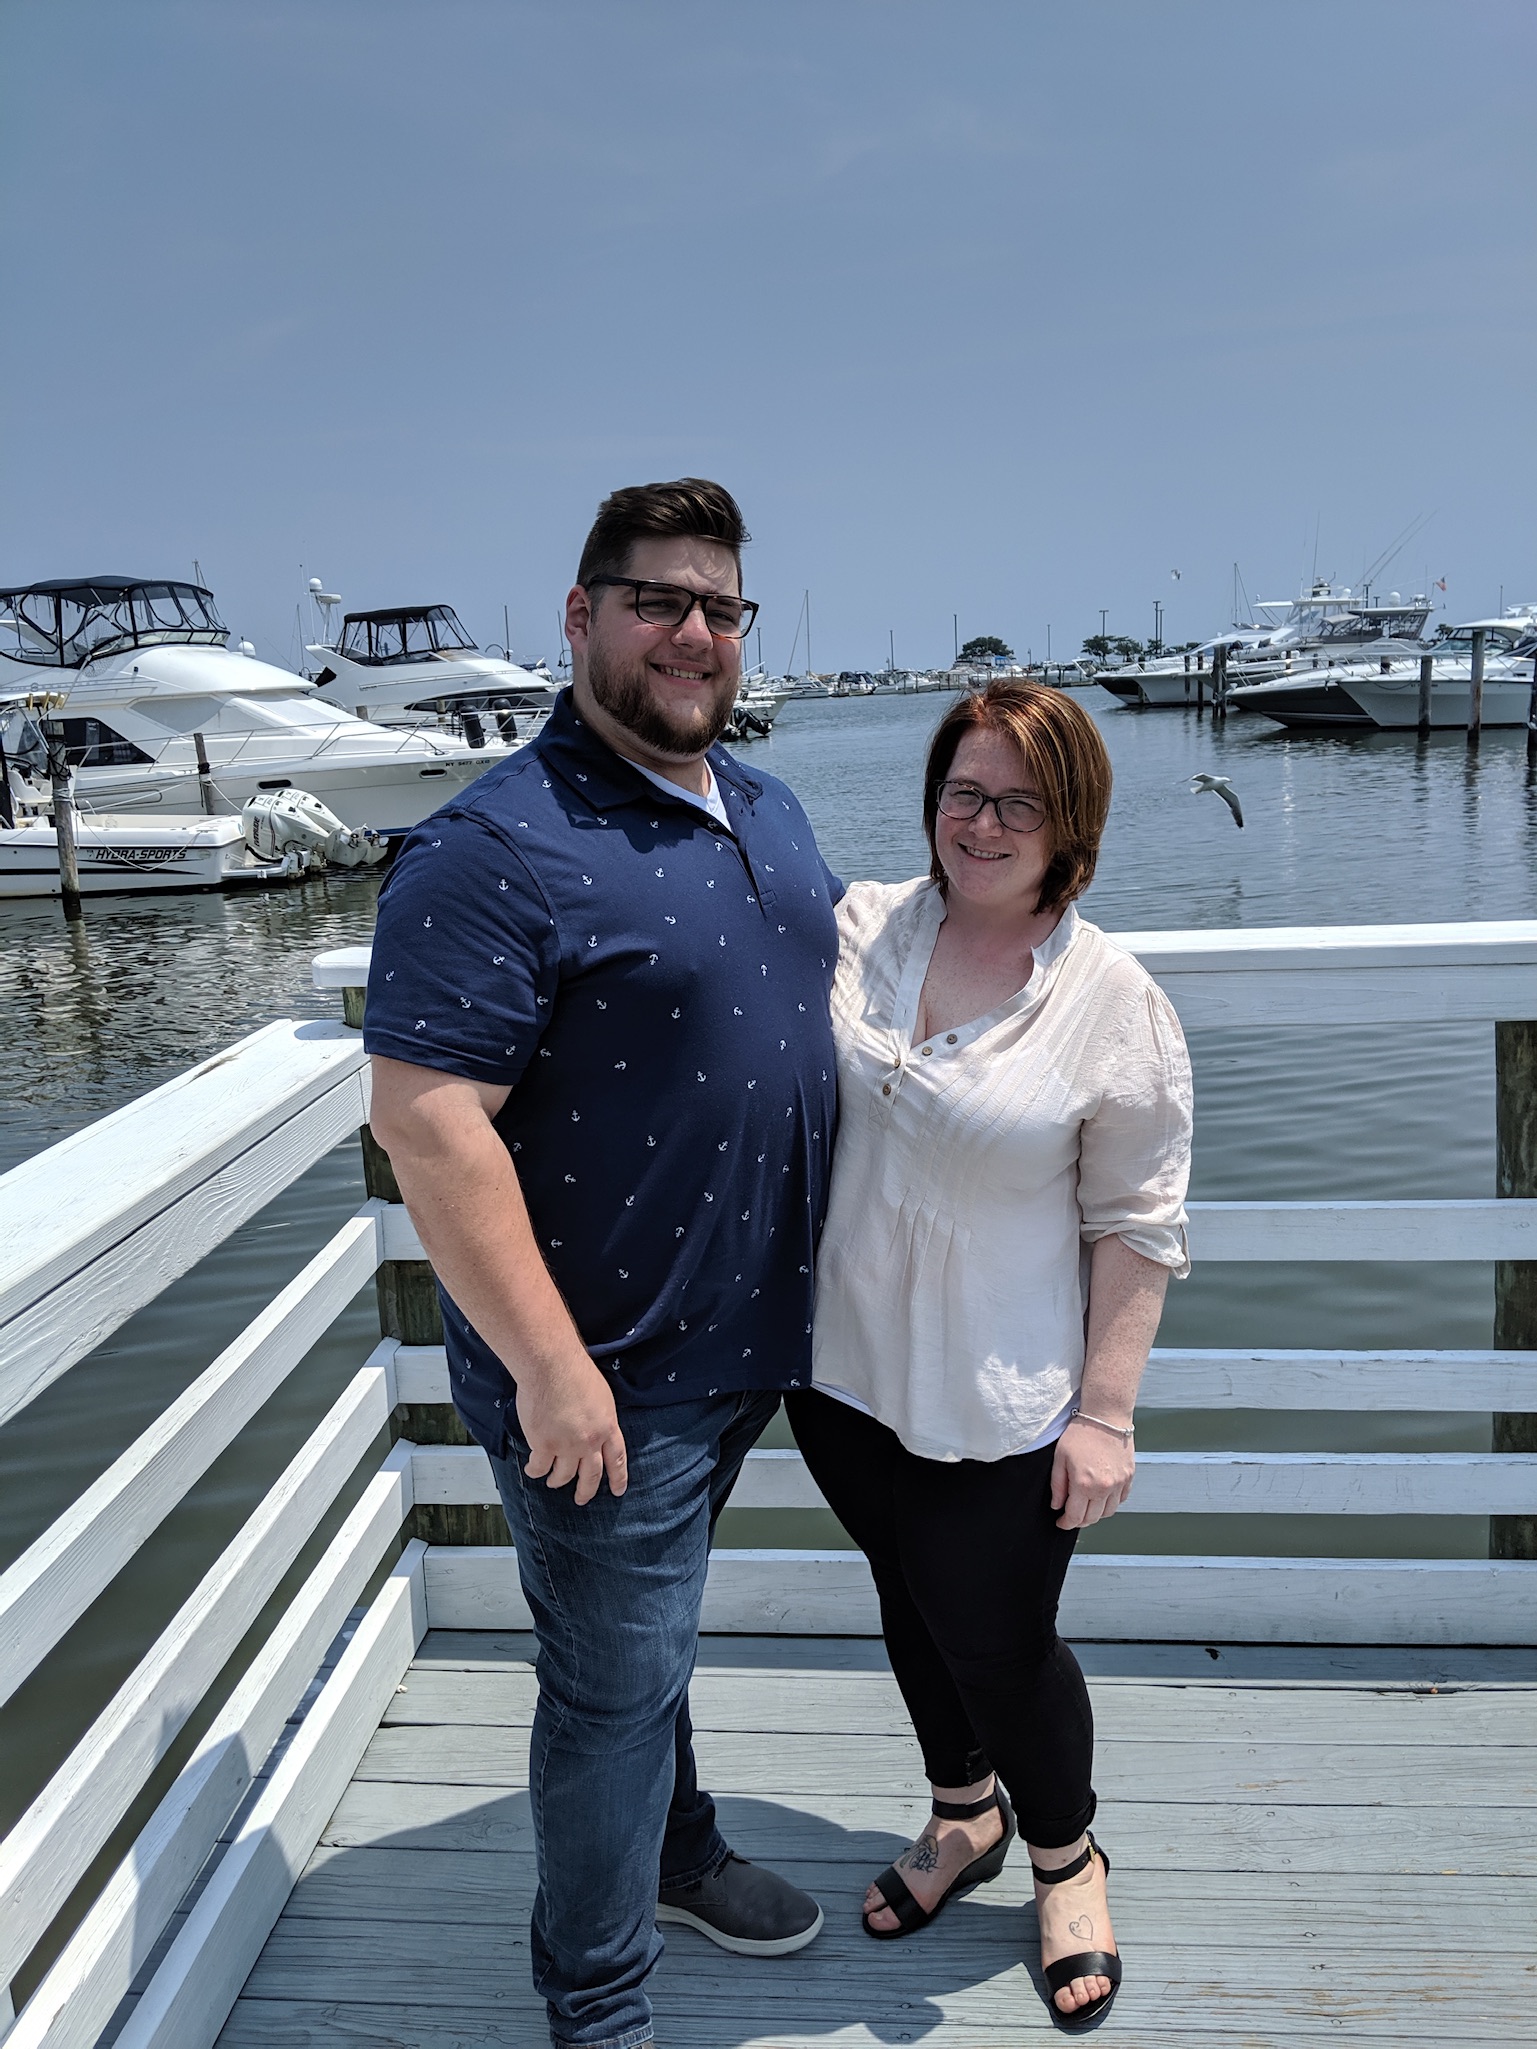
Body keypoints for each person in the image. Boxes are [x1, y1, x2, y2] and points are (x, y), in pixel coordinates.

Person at [364, 478, 837, 2049]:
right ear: (579, 616)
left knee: (651, 1649)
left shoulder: (763, 806)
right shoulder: (493, 845)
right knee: (609, 1686)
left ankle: (680, 1851)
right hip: (602, 1374)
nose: (692, 633)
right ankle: (598, 2002)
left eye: (719, 607)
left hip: (747, 1345)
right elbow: (428, 1127)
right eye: (656, 601)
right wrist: (556, 1373)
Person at [786, 681, 1191, 2032]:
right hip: (842, 1375)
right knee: (906, 1602)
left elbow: (1136, 1223)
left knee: (999, 1639)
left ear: (1068, 820)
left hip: (1003, 1399)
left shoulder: (1109, 1000)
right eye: (963, 790)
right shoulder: (860, 929)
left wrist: (1107, 1415)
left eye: (1018, 799)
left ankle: (1065, 1851)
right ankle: (963, 1813)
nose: (982, 820)